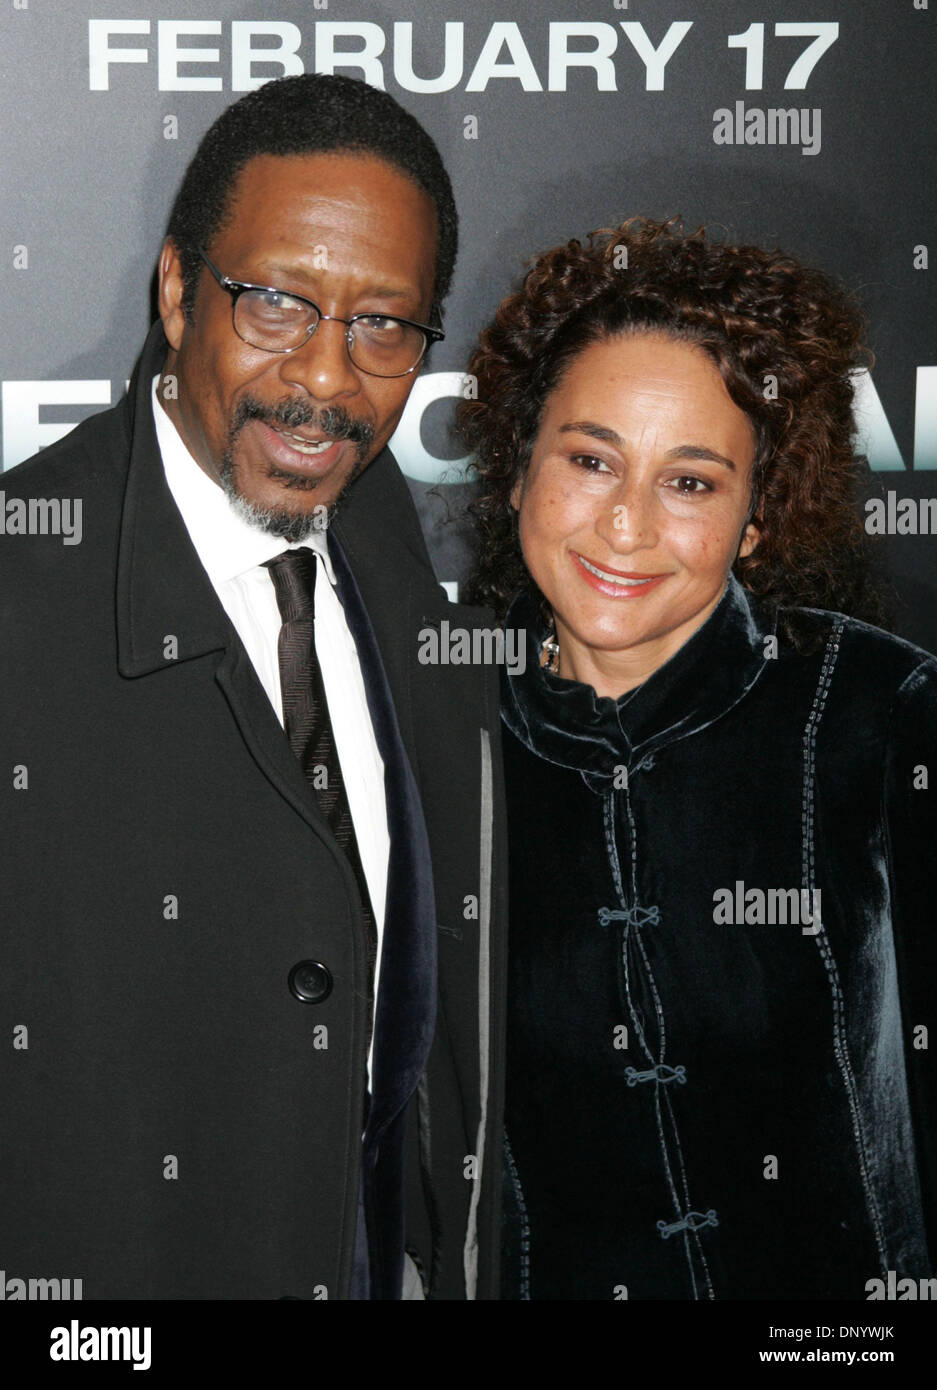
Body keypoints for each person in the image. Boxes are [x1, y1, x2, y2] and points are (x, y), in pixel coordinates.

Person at [0, 74, 507, 1301]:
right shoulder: (23, 599)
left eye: (384, 326)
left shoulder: (382, 531)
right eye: (277, 302)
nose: (327, 380)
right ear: (178, 291)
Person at [461, 217, 937, 1300]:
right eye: (589, 459)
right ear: (514, 468)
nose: (623, 526)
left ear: (755, 518)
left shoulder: (878, 712)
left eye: (688, 482)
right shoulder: (434, 740)